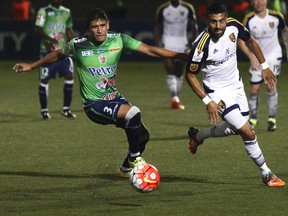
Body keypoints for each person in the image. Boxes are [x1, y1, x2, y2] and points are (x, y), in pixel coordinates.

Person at [13, 8, 188, 177]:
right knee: (134, 113)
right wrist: (32, 65)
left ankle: (125, 170)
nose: (99, 30)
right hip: (93, 104)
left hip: (113, 97)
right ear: (88, 29)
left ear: (108, 25)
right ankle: (135, 160)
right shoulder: (78, 45)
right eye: (95, 27)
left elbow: (150, 49)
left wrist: (179, 55)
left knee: (143, 136)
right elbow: (58, 54)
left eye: (102, 25)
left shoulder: (119, 40)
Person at [185, 2, 285, 187]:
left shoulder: (234, 25)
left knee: (236, 128)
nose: (218, 26)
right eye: (213, 22)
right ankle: (267, 174)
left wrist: (264, 67)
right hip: (217, 93)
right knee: (248, 132)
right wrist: (208, 101)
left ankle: (198, 136)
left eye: (221, 21)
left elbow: (250, 41)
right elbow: (190, 75)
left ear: (226, 18)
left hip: (236, 86)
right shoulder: (201, 46)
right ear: (207, 21)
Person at [238, 0, 288, 131]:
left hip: (273, 57)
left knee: (271, 87)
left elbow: (285, 32)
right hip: (257, 59)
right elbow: (241, 41)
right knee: (254, 90)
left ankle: (272, 119)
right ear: (251, 3)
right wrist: (251, 56)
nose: (258, 2)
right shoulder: (249, 19)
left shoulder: (277, 16)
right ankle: (253, 118)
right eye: (255, 0)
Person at [35, 0, 76, 120]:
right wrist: (50, 40)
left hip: (63, 52)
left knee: (69, 76)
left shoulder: (66, 11)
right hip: (47, 52)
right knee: (44, 79)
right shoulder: (44, 11)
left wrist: (72, 44)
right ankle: (44, 111)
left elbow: (68, 29)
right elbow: (38, 29)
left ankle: (66, 109)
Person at [155, 0, 198, 110]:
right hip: (167, 42)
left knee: (179, 72)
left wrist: (193, 44)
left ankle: (176, 97)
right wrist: (159, 43)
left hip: (182, 43)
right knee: (170, 70)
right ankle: (174, 97)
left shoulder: (188, 7)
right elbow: (157, 28)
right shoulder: (163, 9)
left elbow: (194, 27)